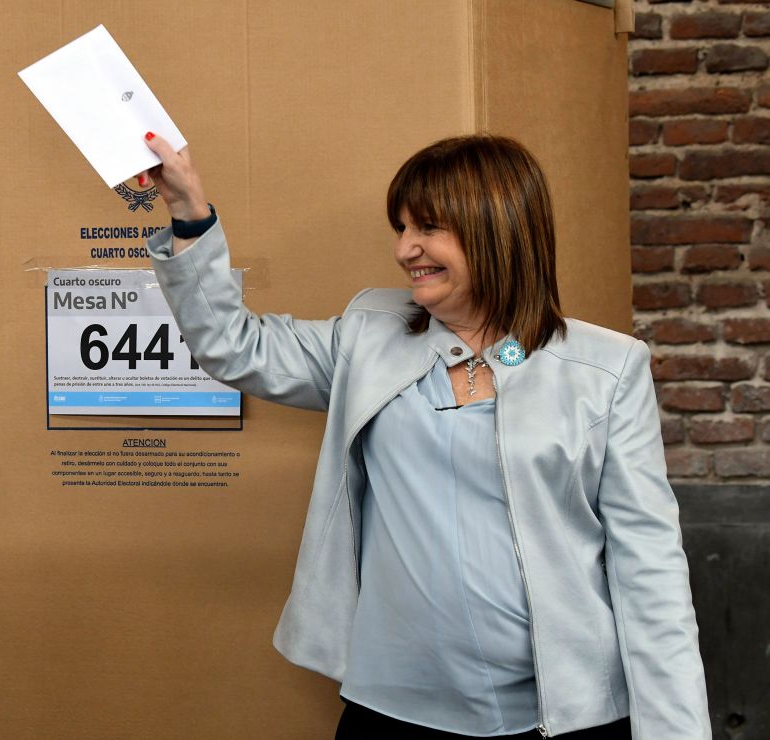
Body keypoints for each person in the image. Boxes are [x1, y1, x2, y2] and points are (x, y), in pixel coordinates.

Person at [136, 132, 710, 739]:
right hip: (392, 710)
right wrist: (190, 213)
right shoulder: (367, 335)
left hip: (560, 718)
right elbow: (235, 346)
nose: (405, 248)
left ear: (498, 229)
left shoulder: (606, 369)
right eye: (401, 227)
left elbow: (648, 566)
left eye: (428, 228)